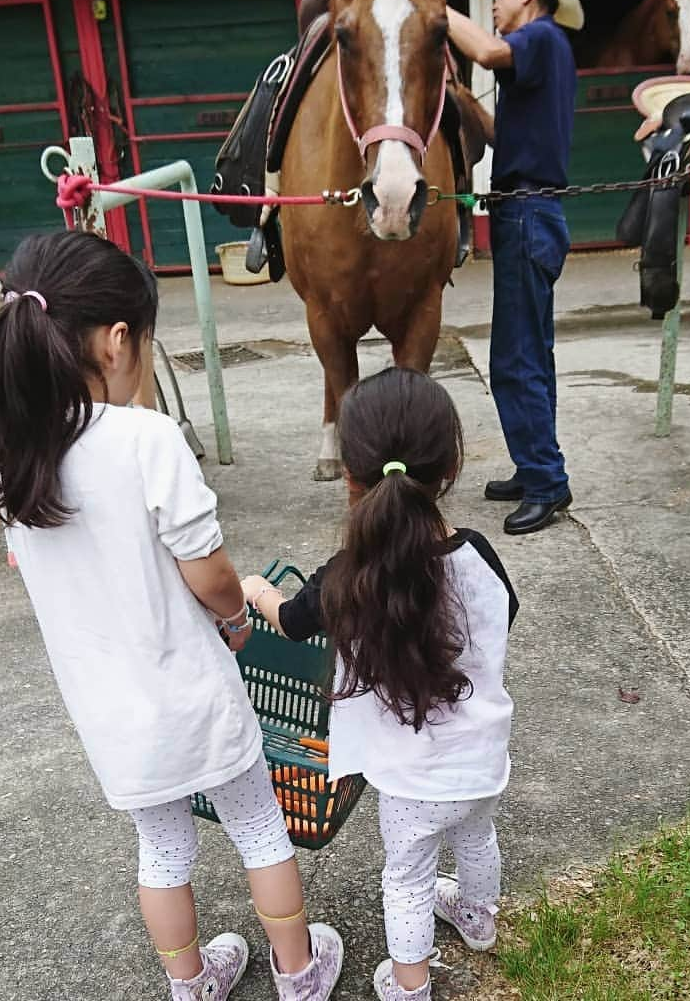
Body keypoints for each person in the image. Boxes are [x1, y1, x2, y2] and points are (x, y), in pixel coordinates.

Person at [0, 230, 342, 1001]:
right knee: (258, 829)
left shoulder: (17, 459)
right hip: (193, 701)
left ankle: (190, 983)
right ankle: (299, 974)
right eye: (143, 340)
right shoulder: (148, 440)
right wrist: (239, 615)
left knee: (162, 851)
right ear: (117, 341)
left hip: (112, 720)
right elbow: (210, 576)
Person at [241, 368, 518, 1001]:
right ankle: (477, 920)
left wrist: (257, 590)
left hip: (407, 777)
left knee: (408, 878)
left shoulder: (346, 578)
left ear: (350, 475)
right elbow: (506, 612)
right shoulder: (477, 553)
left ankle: (410, 985)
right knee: (477, 835)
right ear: (448, 468)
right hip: (480, 760)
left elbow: (289, 621)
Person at [446, 0, 585, 535]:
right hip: (528, 213)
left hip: (527, 214)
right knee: (529, 353)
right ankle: (535, 469)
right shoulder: (544, 53)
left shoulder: (540, 38)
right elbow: (508, 137)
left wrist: (430, 3)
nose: (493, 7)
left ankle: (548, 482)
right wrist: (462, 106)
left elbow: (483, 47)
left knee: (516, 357)